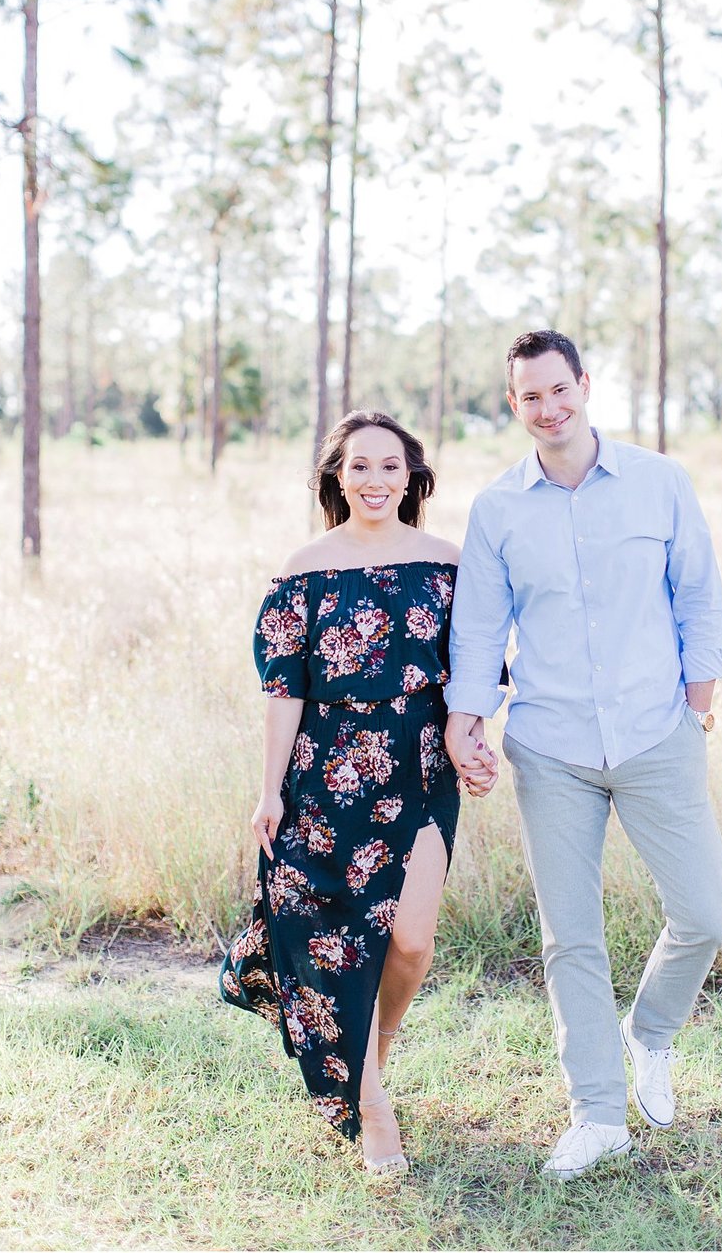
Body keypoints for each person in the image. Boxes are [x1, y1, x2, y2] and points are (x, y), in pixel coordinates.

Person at [444, 329, 722, 1181]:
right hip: (553, 746)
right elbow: (478, 633)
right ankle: (598, 1112)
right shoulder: (498, 509)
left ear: (585, 387)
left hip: (656, 735)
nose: (548, 408)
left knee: (705, 911)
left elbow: (700, 595)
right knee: (572, 938)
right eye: (530, 396)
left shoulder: (658, 482)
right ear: (514, 404)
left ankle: (649, 1033)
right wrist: (471, 721)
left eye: (559, 391)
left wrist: (700, 703)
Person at [220, 409, 487, 1175]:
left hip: (422, 777)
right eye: (360, 466)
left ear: (414, 478)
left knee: (411, 941)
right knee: (336, 953)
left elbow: (468, 679)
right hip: (326, 781)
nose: (376, 480)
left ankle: (368, 1055)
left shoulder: (449, 564)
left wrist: (473, 742)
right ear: (337, 477)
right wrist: (269, 792)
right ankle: (371, 1104)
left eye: (391, 467)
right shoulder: (305, 570)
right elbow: (284, 693)